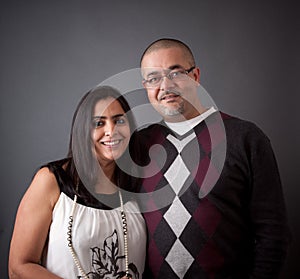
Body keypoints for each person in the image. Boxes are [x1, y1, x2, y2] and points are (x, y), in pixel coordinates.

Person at [133, 38, 290, 278]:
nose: (165, 86)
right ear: (146, 87)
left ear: (195, 76)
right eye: (154, 78)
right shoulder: (140, 145)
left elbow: (273, 234)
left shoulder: (244, 138)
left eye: (175, 73)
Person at [9, 85, 146, 279]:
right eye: (99, 123)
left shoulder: (136, 184)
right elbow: (18, 267)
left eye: (119, 120)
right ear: (83, 131)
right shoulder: (51, 181)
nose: (111, 131)